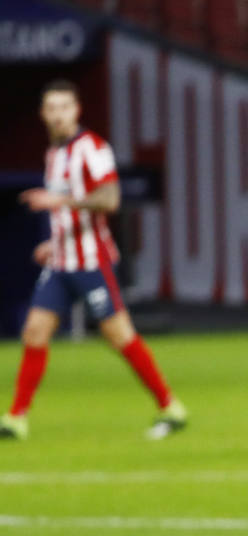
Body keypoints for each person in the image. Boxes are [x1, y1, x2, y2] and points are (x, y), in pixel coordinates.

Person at [2, 80, 186, 442]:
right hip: (62, 262)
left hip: (92, 261)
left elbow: (110, 199)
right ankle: (16, 417)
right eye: (51, 108)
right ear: (42, 114)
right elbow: (70, 210)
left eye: (64, 107)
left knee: (118, 335)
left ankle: (169, 405)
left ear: (77, 110)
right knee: (35, 332)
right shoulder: (54, 154)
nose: (57, 115)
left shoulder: (92, 149)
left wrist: (62, 204)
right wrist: (53, 243)